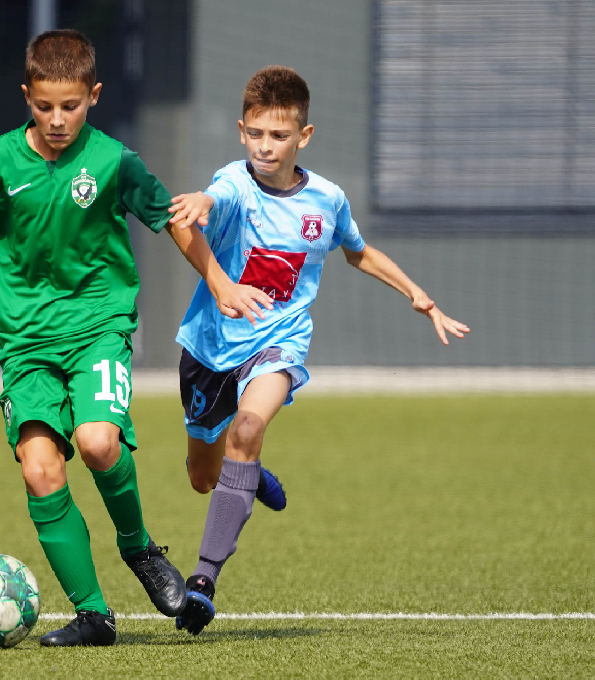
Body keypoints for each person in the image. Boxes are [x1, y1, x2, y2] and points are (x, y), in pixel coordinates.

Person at [0, 30, 271, 647]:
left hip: (97, 329)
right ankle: (94, 615)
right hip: (26, 343)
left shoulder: (114, 161)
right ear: (26, 97)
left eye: (70, 106)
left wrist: (220, 283)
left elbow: (172, 220)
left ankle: (138, 547)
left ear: (93, 95)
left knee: (96, 442)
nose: (58, 119)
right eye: (44, 106)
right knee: (40, 471)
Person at [168, 66, 470, 635]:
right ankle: (248, 474)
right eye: (256, 133)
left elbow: (358, 251)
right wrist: (202, 204)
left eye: (278, 135)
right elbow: (212, 199)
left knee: (248, 429)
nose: (265, 146)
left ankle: (203, 581)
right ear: (241, 130)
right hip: (209, 348)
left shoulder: (327, 200)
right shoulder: (233, 183)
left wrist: (417, 294)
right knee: (203, 477)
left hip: (277, 343)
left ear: (303, 136)